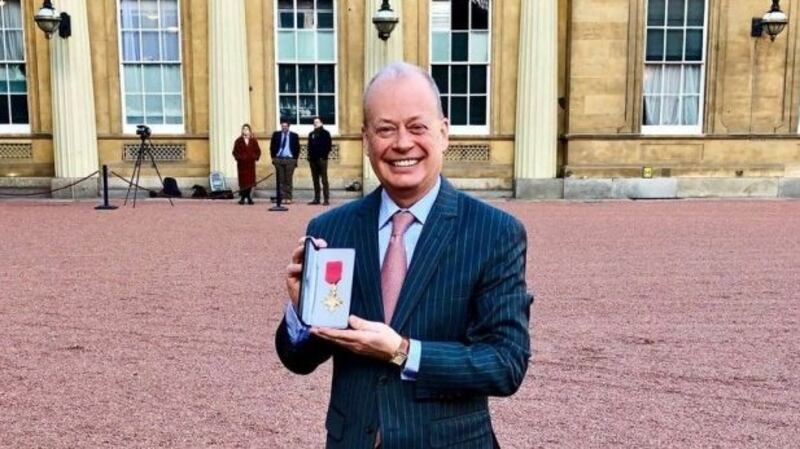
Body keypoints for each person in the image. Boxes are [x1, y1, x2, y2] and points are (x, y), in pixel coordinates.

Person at [275, 62, 532, 449]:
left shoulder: (494, 233)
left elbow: (505, 363)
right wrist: (301, 315)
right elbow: (300, 361)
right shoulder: (330, 230)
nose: (401, 143)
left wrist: (403, 352)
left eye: (417, 127)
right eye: (385, 129)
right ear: (366, 140)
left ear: (444, 133)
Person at [269, 119, 300, 204]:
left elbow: (297, 148)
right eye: (282, 126)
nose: (284, 128)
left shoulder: (294, 136)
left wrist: (295, 159)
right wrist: (273, 158)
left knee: (288, 180)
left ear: (289, 126)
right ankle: (282, 198)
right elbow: (272, 147)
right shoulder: (276, 135)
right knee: (281, 180)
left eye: (285, 126)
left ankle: (288, 198)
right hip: (279, 159)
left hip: (290, 160)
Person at [232, 123, 261, 205]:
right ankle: (243, 197)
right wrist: (240, 158)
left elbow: (258, 151)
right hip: (242, 165)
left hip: (250, 164)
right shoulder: (238, 141)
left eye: (247, 129)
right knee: (243, 182)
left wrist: (254, 157)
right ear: (242, 131)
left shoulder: (253, 141)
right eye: (244, 129)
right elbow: (235, 152)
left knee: (250, 182)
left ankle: (248, 197)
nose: (245, 131)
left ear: (249, 131)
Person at [307, 116, 332, 205]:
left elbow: (328, 146)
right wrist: (309, 157)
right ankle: (316, 198)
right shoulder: (311, 134)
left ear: (321, 123)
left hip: (322, 159)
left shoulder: (326, 133)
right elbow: (309, 147)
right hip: (313, 160)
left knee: (324, 180)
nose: (315, 123)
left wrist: (323, 156)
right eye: (314, 122)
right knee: (315, 180)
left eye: (317, 122)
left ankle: (326, 199)